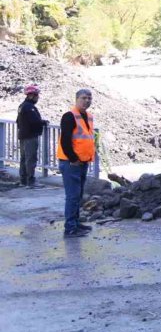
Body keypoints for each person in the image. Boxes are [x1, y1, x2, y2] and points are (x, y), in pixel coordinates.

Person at [58, 89, 96, 237]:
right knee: (73, 196)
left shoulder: (88, 116)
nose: (87, 100)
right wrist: (73, 159)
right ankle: (70, 228)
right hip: (71, 163)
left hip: (82, 162)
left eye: (89, 98)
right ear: (76, 99)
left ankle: (76, 222)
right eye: (84, 98)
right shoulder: (69, 116)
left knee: (78, 195)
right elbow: (65, 140)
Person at [16, 84, 47, 188]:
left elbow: (18, 121)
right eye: (36, 95)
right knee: (31, 159)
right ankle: (31, 182)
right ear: (31, 96)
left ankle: (23, 180)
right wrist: (43, 122)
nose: (38, 98)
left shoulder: (22, 106)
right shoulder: (29, 107)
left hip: (23, 135)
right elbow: (35, 121)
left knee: (24, 158)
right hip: (30, 136)